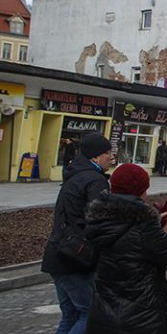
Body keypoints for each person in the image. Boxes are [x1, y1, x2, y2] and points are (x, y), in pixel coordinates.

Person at [84, 163, 167, 333]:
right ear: (141, 190)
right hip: (142, 317)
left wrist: (157, 224)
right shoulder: (143, 226)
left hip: (104, 313)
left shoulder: (100, 218)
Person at [41, 133, 112, 334]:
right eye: (108, 153)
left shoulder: (74, 176)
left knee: (71, 314)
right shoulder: (95, 181)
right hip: (76, 258)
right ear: (96, 157)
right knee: (89, 313)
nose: (111, 158)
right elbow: (98, 221)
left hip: (59, 253)